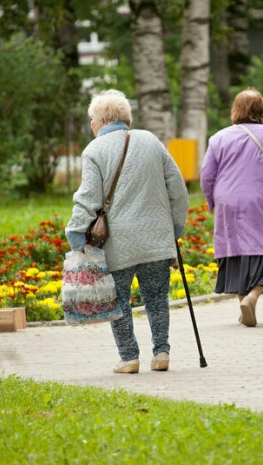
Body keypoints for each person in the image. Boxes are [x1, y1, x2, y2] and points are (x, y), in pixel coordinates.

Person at [65, 89, 189, 374]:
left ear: (103, 119)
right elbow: (178, 190)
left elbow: (88, 199)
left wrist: (75, 234)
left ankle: (129, 358)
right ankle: (162, 353)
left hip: (118, 244)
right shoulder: (151, 141)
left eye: (92, 120)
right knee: (157, 298)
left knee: (118, 301)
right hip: (157, 239)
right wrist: (175, 228)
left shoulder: (93, 151)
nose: (91, 125)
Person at [200, 88, 263, 327]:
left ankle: (243, 301)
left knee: (233, 249)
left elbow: (206, 176)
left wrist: (211, 201)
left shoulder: (218, 138)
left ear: (235, 110)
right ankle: (253, 296)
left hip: (228, 200)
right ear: (261, 109)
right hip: (260, 199)